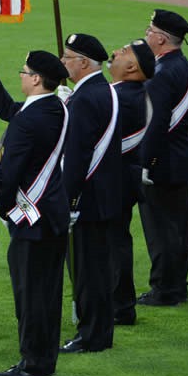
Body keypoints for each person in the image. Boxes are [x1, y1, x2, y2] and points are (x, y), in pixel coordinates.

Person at [0, 49, 71, 376]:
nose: (21, 75)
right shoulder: (55, 106)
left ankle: (33, 363)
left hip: (31, 219)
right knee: (49, 292)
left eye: (24, 71)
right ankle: (45, 358)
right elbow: (12, 110)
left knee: (30, 296)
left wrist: (3, 210)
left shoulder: (30, 121)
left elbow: (9, 172)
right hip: (54, 213)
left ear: (36, 79)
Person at [57, 33, 123, 354]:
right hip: (106, 196)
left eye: (67, 57)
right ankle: (100, 333)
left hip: (87, 200)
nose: (62, 62)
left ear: (84, 62)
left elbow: (77, 157)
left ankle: (91, 336)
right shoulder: (105, 90)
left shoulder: (84, 99)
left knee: (87, 272)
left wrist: (69, 200)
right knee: (97, 267)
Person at [137, 9, 188, 307]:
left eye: (149, 30)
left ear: (161, 39)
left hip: (162, 163)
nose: (146, 34)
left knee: (161, 230)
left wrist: (145, 163)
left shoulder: (161, 74)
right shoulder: (183, 66)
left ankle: (164, 290)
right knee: (178, 230)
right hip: (183, 160)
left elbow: (155, 123)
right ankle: (177, 287)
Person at [106, 39, 155, 326]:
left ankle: (120, 307)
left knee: (112, 244)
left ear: (132, 67)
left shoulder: (125, 96)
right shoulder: (127, 92)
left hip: (115, 180)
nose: (115, 52)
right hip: (123, 178)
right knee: (116, 242)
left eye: (123, 52)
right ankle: (120, 305)